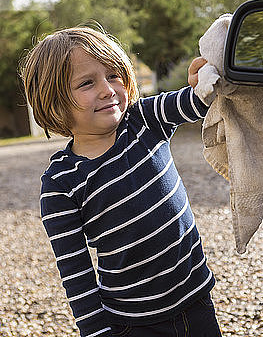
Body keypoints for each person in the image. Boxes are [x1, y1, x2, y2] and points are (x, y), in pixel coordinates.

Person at [20, 26, 222, 337]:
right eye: (87, 82)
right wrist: (98, 332)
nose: (107, 89)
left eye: (113, 75)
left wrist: (204, 81)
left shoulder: (144, 120)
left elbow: (194, 101)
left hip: (197, 300)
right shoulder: (61, 183)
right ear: (55, 102)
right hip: (135, 323)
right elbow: (76, 272)